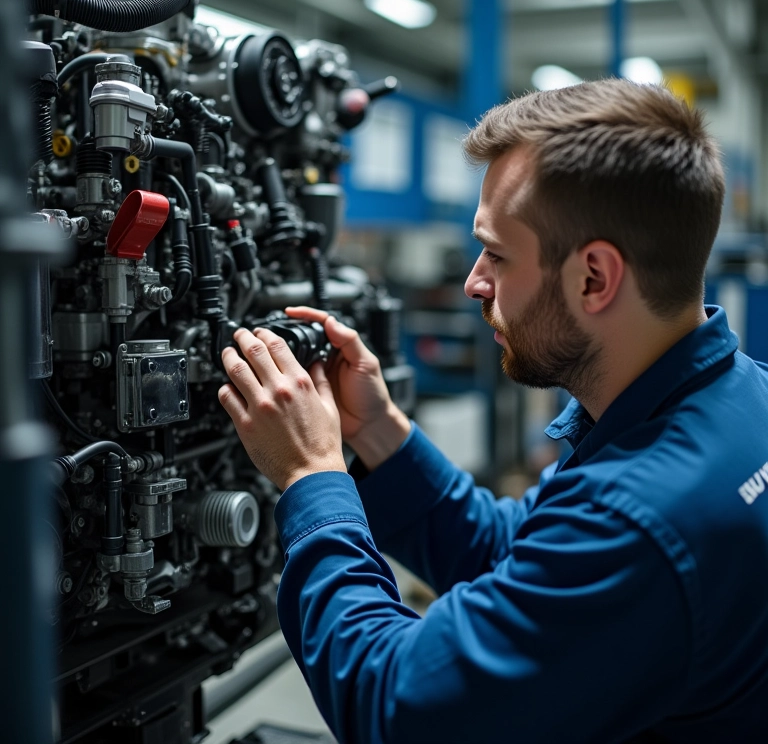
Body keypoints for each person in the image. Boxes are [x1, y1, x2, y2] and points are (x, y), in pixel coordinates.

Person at [218, 79, 768, 743]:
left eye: (498, 255)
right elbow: (525, 555)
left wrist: (312, 479)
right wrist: (380, 437)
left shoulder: (640, 518)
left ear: (595, 276)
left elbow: (397, 705)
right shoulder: (734, 397)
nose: (475, 280)